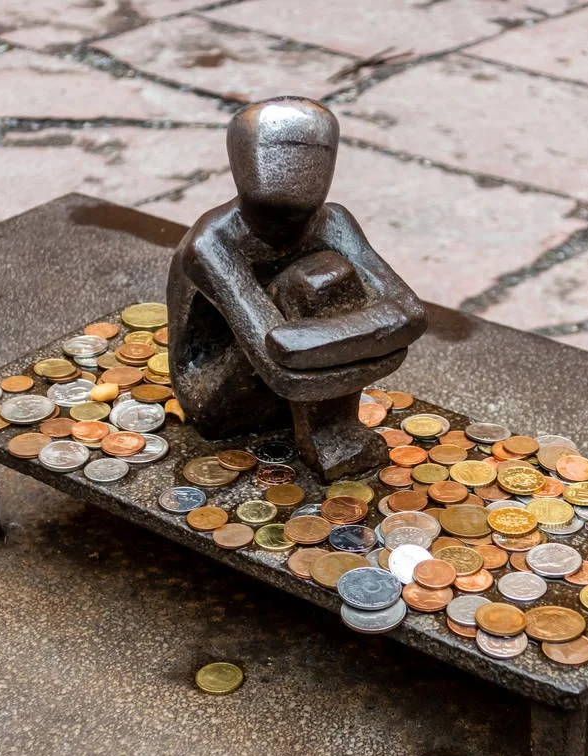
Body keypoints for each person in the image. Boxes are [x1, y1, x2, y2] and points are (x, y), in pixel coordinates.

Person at [167, 97, 427, 479]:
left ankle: (330, 429)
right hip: (216, 394)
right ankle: (328, 437)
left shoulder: (333, 222)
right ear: (242, 162)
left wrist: (312, 348)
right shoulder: (211, 243)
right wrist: (377, 342)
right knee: (315, 280)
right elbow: (276, 352)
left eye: (313, 155)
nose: (296, 171)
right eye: (279, 153)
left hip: (290, 373)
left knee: (324, 275)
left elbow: (412, 312)